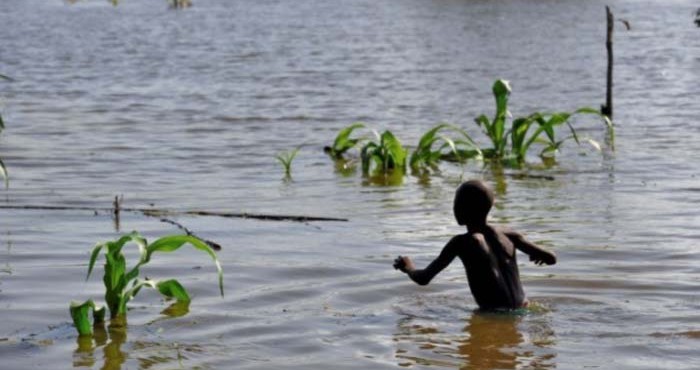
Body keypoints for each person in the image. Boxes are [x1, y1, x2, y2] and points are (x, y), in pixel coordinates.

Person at [393, 180, 556, 310]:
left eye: (456, 203)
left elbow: (423, 279)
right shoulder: (509, 234)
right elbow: (551, 258)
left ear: (462, 209)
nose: (454, 208)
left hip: (494, 314)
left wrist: (408, 267)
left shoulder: (461, 242)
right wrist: (537, 256)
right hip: (524, 307)